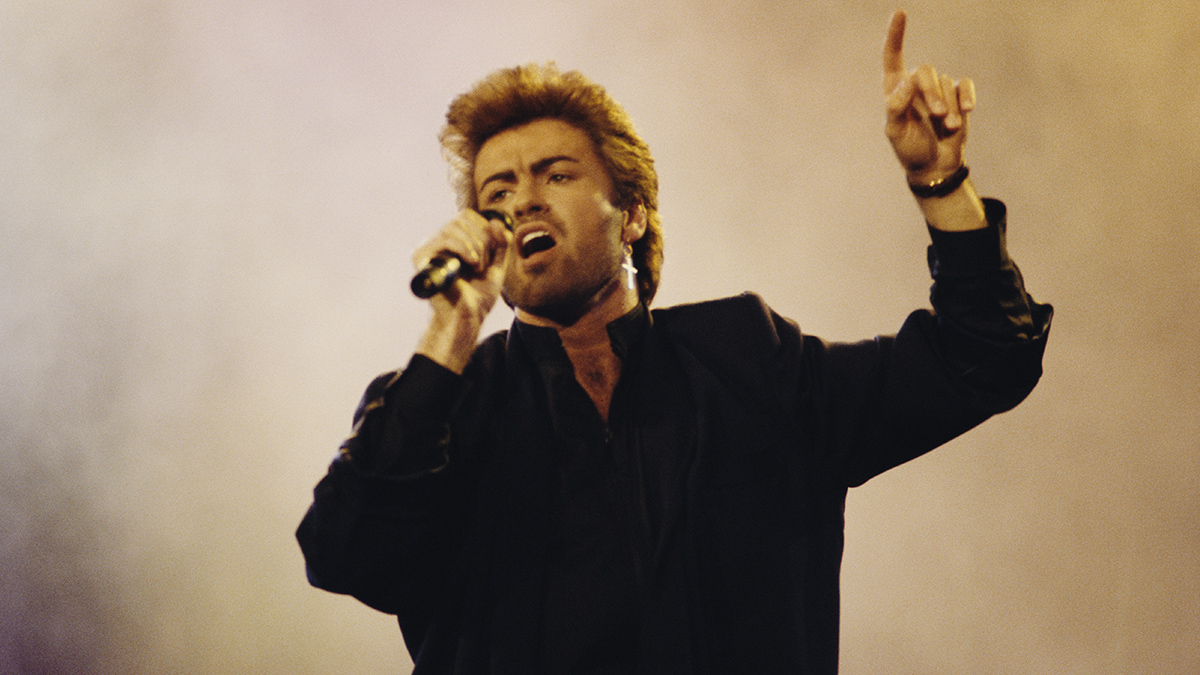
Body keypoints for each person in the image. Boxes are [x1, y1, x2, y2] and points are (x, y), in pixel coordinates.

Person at [297, 10, 1052, 674]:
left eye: (554, 174)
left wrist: (941, 187)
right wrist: (451, 330)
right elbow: (344, 556)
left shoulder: (749, 359)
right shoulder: (440, 407)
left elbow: (983, 357)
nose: (521, 197)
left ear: (629, 215)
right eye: (495, 193)